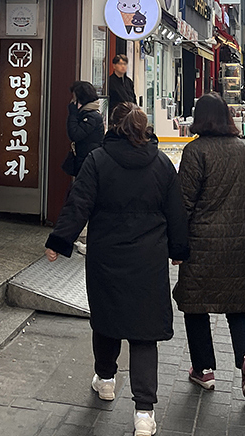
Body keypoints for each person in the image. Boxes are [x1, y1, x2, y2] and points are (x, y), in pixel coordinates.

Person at [45, 102, 189, 436]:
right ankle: (144, 413)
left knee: (107, 319)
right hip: (148, 258)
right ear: (145, 128)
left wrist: (59, 241)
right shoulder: (162, 164)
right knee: (145, 332)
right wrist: (179, 250)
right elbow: (176, 211)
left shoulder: (97, 160)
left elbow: (78, 203)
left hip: (106, 254)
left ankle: (106, 379)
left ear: (113, 126)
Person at [173, 93, 245, 398]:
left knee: (195, 304)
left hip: (202, 241)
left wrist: (176, 244)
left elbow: (184, 202)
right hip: (239, 240)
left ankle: (204, 369)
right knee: (239, 304)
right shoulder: (241, 150)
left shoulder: (195, 151)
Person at [63, 81, 105, 255]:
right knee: (76, 197)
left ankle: (81, 236)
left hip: (88, 163)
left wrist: (72, 113)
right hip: (84, 161)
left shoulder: (91, 116)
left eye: (74, 97)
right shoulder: (88, 113)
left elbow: (75, 134)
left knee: (79, 199)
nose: (72, 100)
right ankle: (75, 234)